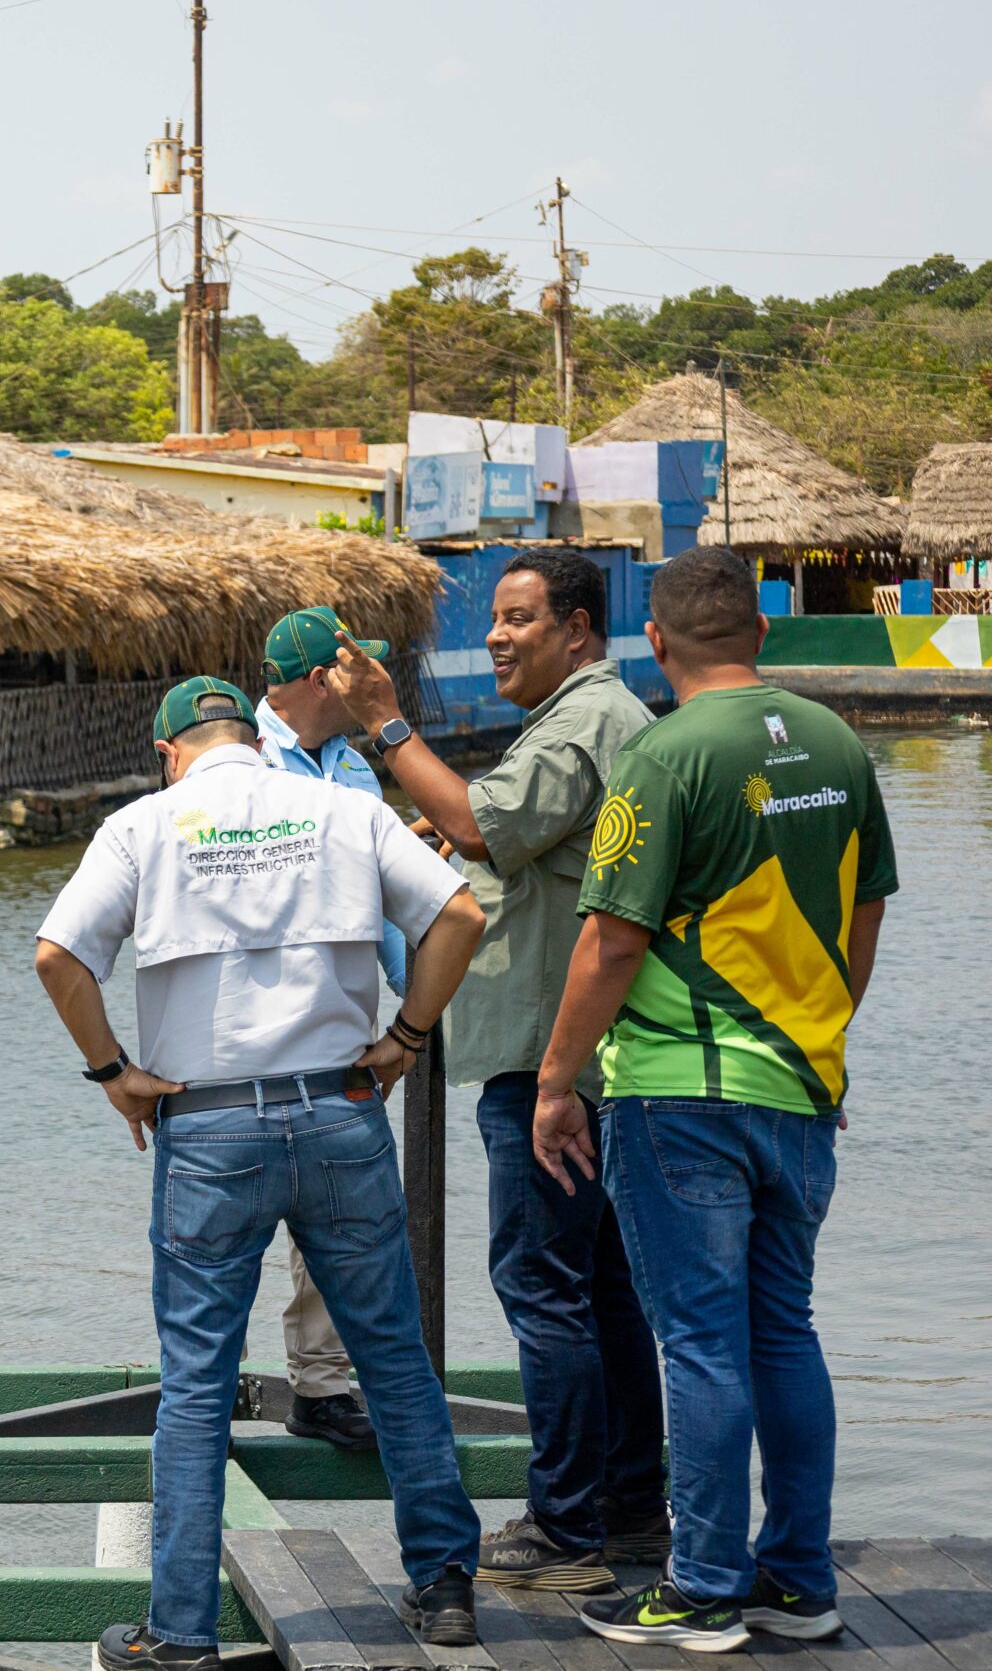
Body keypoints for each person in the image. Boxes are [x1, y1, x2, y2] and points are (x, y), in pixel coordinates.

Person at [35, 676, 490, 1668]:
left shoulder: (141, 827)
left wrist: (115, 1074)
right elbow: (459, 916)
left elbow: (58, 957)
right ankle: (447, 1585)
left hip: (207, 1128)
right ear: (251, 736)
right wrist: (408, 1034)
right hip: (338, 1111)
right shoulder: (342, 809)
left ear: (169, 753)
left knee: (197, 1382)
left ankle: (180, 1633)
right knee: (393, 1358)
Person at [529, 547, 894, 1652]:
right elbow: (864, 912)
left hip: (679, 1092)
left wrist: (556, 1080)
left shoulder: (662, 752)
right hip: (802, 1088)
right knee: (784, 1328)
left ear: (654, 641)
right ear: (761, 631)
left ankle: (699, 1588)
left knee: (696, 1342)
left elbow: (611, 941)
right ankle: (798, 1580)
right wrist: (817, 1039)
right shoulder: (837, 743)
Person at [325, 547, 669, 1589]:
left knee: (542, 1285)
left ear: (577, 629)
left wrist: (387, 725)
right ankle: (628, 1509)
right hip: (594, 1054)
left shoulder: (580, 722)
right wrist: (458, 838)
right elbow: (506, 841)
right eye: (495, 618)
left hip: (545, 1059)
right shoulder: (598, 718)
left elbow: (483, 821)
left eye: (520, 617)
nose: (497, 636)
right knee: (604, 1289)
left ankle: (566, 1530)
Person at [252, 605, 411, 1455]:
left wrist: (419, 998)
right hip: (250, 1028)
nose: (372, 680)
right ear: (323, 680)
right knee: (230, 1225)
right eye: (357, 668)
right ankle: (202, 1394)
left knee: (340, 1224)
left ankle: (319, 1386)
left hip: (339, 1030)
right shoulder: (239, 756)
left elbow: (381, 902)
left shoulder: (353, 765)